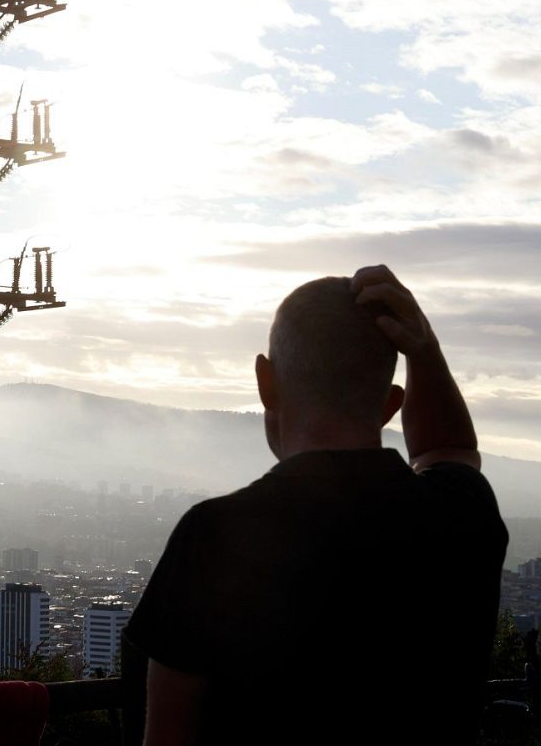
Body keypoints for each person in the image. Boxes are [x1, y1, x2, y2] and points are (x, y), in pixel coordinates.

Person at [125, 266, 508, 745]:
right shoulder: (461, 517)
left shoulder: (213, 538)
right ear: (391, 405)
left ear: (265, 381)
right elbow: (448, 448)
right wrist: (424, 348)